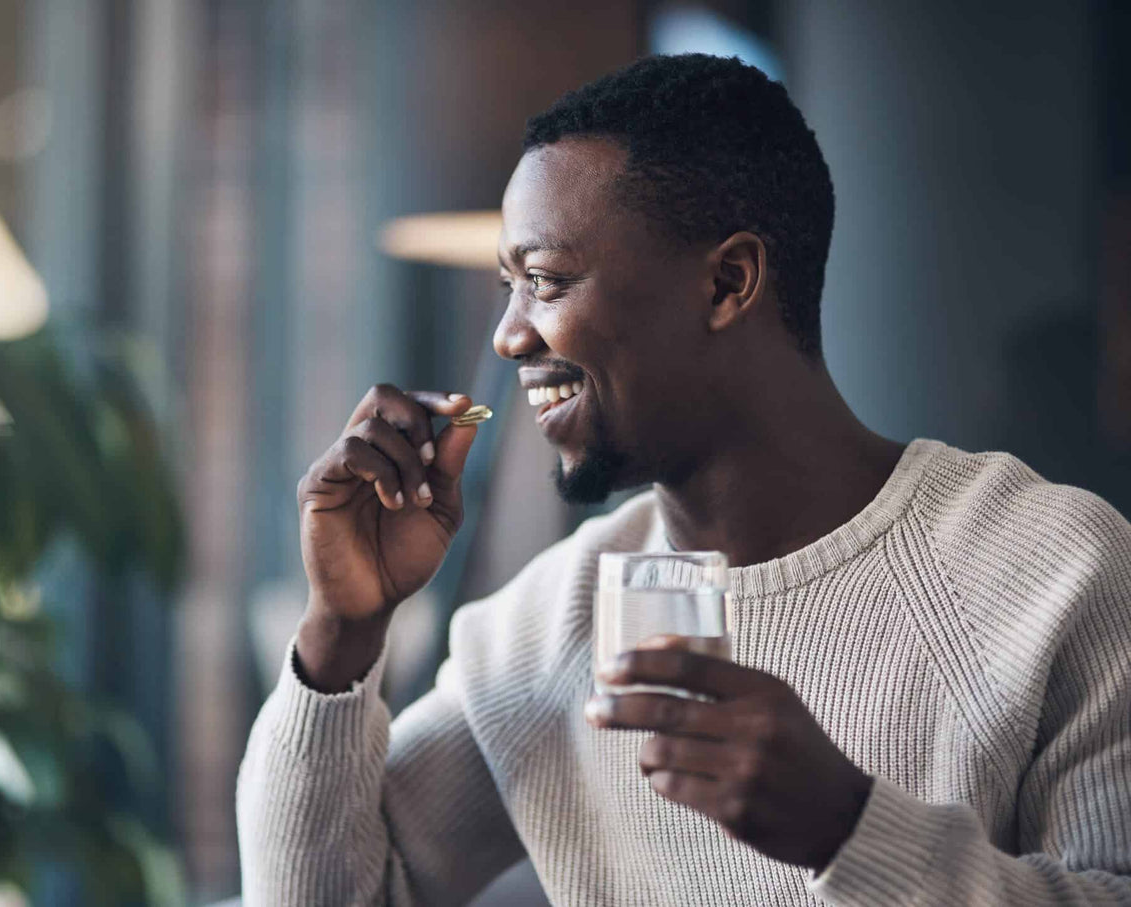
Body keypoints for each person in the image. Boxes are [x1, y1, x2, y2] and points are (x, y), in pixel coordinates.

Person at [236, 54, 1131, 905]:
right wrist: (342, 629)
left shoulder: (1056, 573)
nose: (509, 335)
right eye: (509, 285)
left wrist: (851, 830)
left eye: (545, 279)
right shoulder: (543, 629)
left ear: (728, 282)